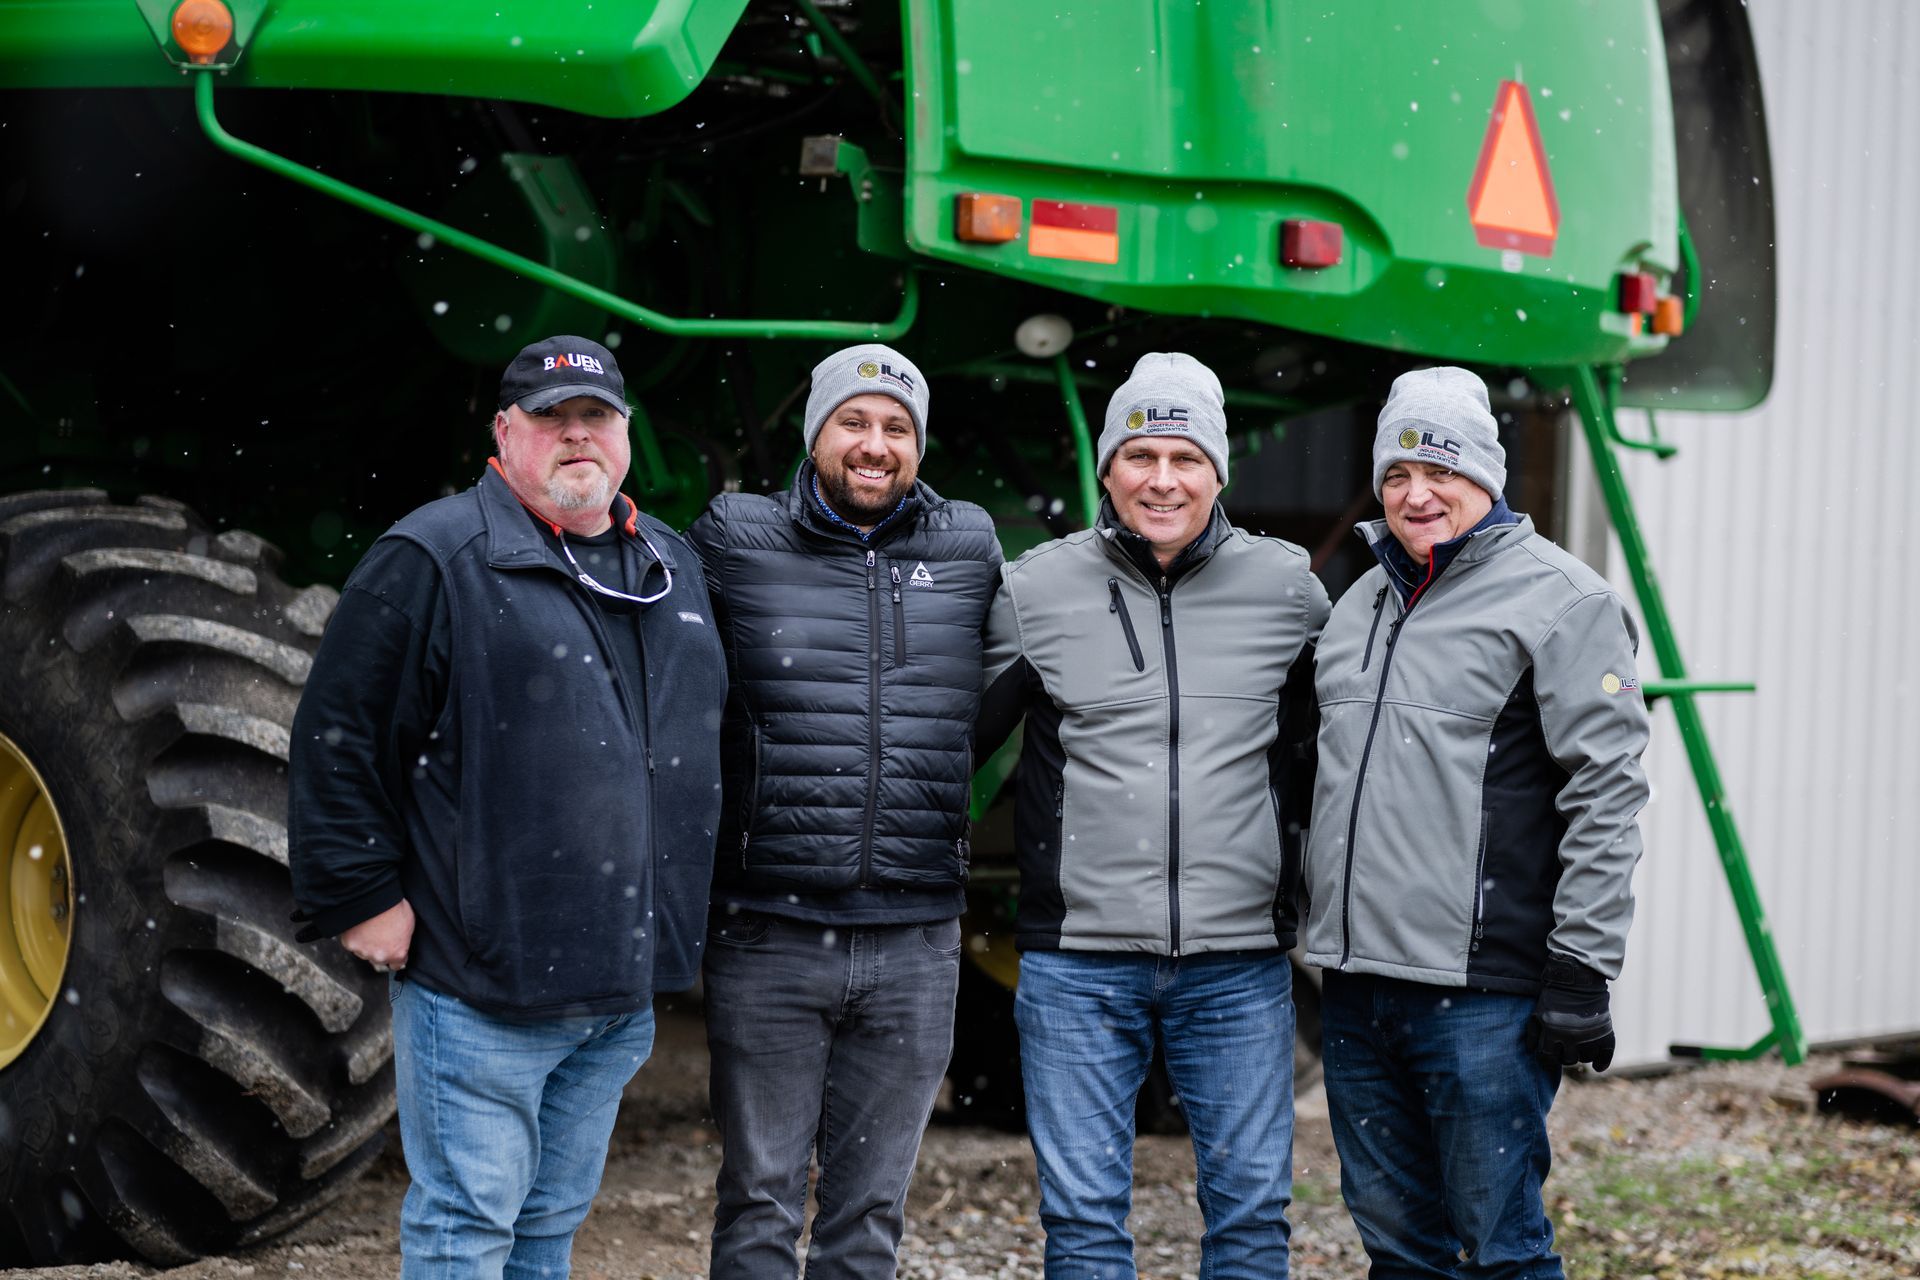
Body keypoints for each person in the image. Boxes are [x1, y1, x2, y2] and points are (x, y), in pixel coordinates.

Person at [288, 335, 727, 1280]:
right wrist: (360, 893)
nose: (577, 436)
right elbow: (339, 736)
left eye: (596, 418)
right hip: (482, 979)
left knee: (548, 1230)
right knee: (468, 1226)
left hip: (620, 987)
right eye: (550, 418)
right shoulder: (435, 556)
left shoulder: (672, 568)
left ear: (625, 434)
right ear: (503, 432)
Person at [973, 352, 1328, 1280]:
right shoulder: (1037, 589)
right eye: (1140, 456)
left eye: (1185, 457)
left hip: (1239, 967)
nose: (1162, 480)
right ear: (1107, 469)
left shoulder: (1286, 591)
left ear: (1219, 471)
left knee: (1251, 1218)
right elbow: (946, 746)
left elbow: (1353, 744)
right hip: (1078, 966)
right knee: (1085, 1221)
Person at [1303, 366, 1652, 1279]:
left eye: (1441, 472)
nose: (1417, 496)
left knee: (1501, 1248)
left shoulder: (1565, 602)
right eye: (1396, 476)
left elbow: (1605, 793)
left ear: (1486, 478)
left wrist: (1583, 965)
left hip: (1481, 995)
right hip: (1354, 984)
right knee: (1397, 1246)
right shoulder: (1360, 605)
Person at [685, 344, 1002, 1280]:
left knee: (869, 1212)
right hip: (769, 930)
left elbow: (1016, 677)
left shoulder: (967, 544)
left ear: (919, 444)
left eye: (897, 427)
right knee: (760, 1198)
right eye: (854, 423)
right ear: (816, 434)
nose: (875, 445)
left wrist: (937, 771)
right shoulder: (735, 539)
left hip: (915, 939)